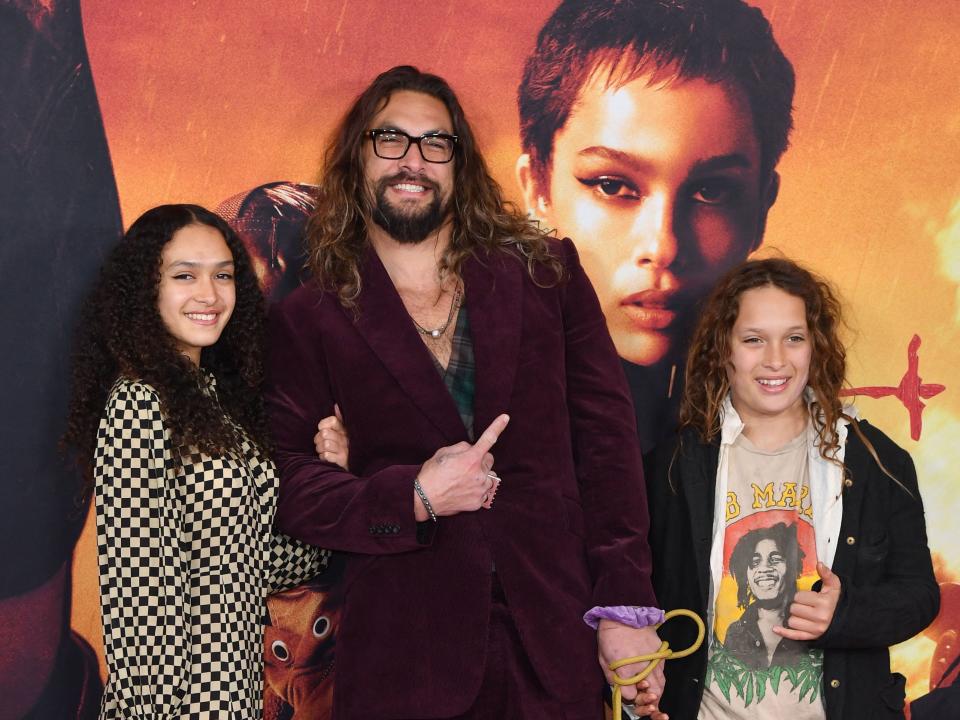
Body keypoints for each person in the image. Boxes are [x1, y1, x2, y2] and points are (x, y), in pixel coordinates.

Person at [265, 65, 665, 719]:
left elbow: (608, 451)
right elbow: (281, 477)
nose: (412, 160)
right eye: (388, 139)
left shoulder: (547, 274)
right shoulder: (309, 317)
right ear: (356, 158)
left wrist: (625, 608)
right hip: (402, 665)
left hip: (553, 652)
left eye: (435, 143)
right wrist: (414, 496)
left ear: (460, 163)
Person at [63, 204, 341, 718]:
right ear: (145, 290)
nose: (209, 295)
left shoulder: (216, 403)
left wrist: (336, 479)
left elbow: (256, 562)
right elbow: (137, 600)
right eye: (184, 276)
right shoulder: (138, 404)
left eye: (223, 275)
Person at [644, 257, 940, 719]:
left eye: (794, 338)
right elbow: (642, 593)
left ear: (815, 347)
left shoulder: (875, 460)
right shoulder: (676, 465)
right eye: (754, 339)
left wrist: (844, 614)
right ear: (724, 349)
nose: (776, 360)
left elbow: (920, 595)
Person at [516, 0, 795, 452]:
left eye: (712, 193)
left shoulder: (829, 463)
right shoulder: (449, 427)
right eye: (612, 185)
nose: (663, 245)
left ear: (763, 206)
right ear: (537, 190)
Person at [724, 523, 805, 669]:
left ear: (792, 568)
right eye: (754, 562)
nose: (764, 569)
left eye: (775, 559)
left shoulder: (807, 626)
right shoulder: (735, 633)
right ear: (746, 574)